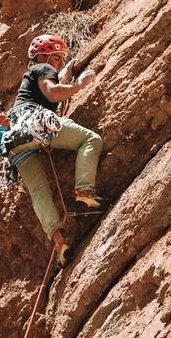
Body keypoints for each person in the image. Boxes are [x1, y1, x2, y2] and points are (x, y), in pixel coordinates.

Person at [6, 32, 103, 267]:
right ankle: (84, 192)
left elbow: (54, 83)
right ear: (42, 56)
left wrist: (65, 74)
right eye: (56, 57)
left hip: (15, 140)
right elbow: (52, 91)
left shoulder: (29, 82)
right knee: (91, 140)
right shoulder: (42, 69)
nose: (59, 62)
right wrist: (79, 84)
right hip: (36, 123)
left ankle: (60, 242)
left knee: (39, 191)